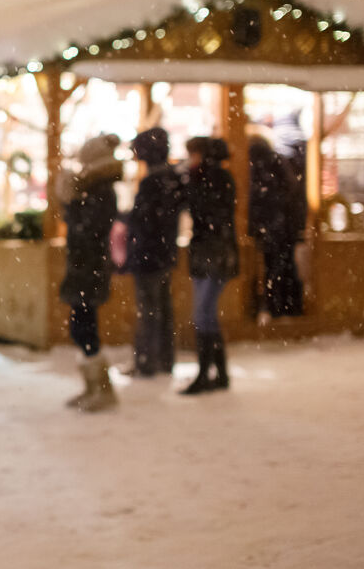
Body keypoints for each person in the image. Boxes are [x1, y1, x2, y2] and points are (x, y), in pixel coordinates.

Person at [57, 134, 122, 412]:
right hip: (84, 266)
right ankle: (93, 385)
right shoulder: (93, 188)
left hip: (89, 267)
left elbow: (88, 229)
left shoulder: (101, 190)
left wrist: (69, 204)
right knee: (80, 327)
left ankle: (102, 389)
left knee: (85, 328)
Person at [181, 137, 239, 395]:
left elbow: (207, 213)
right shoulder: (208, 179)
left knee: (203, 314)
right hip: (211, 252)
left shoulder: (213, 180)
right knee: (206, 315)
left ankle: (207, 373)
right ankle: (218, 373)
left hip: (214, 253)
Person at [125, 127, 184, 376]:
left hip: (150, 254)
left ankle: (148, 362)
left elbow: (144, 221)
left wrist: (129, 222)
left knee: (150, 309)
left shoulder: (153, 182)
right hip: (164, 252)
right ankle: (163, 360)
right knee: (161, 308)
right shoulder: (172, 179)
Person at [248, 136, 304, 319]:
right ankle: (291, 307)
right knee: (286, 266)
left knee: (272, 267)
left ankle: (274, 306)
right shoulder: (278, 162)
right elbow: (292, 191)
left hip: (270, 227)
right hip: (284, 227)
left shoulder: (254, 165)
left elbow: (255, 198)